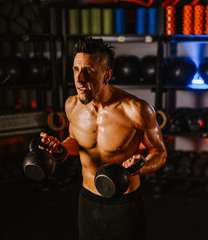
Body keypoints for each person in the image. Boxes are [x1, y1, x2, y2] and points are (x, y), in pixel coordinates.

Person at [39, 37, 167, 240]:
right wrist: (60, 148)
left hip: (124, 203)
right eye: (75, 69)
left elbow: (160, 153)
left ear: (107, 75)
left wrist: (139, 166)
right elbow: (76, 142)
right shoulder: (72, 106)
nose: (79, 79)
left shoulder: (136, 110)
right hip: (88, 200)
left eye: (88, 70)